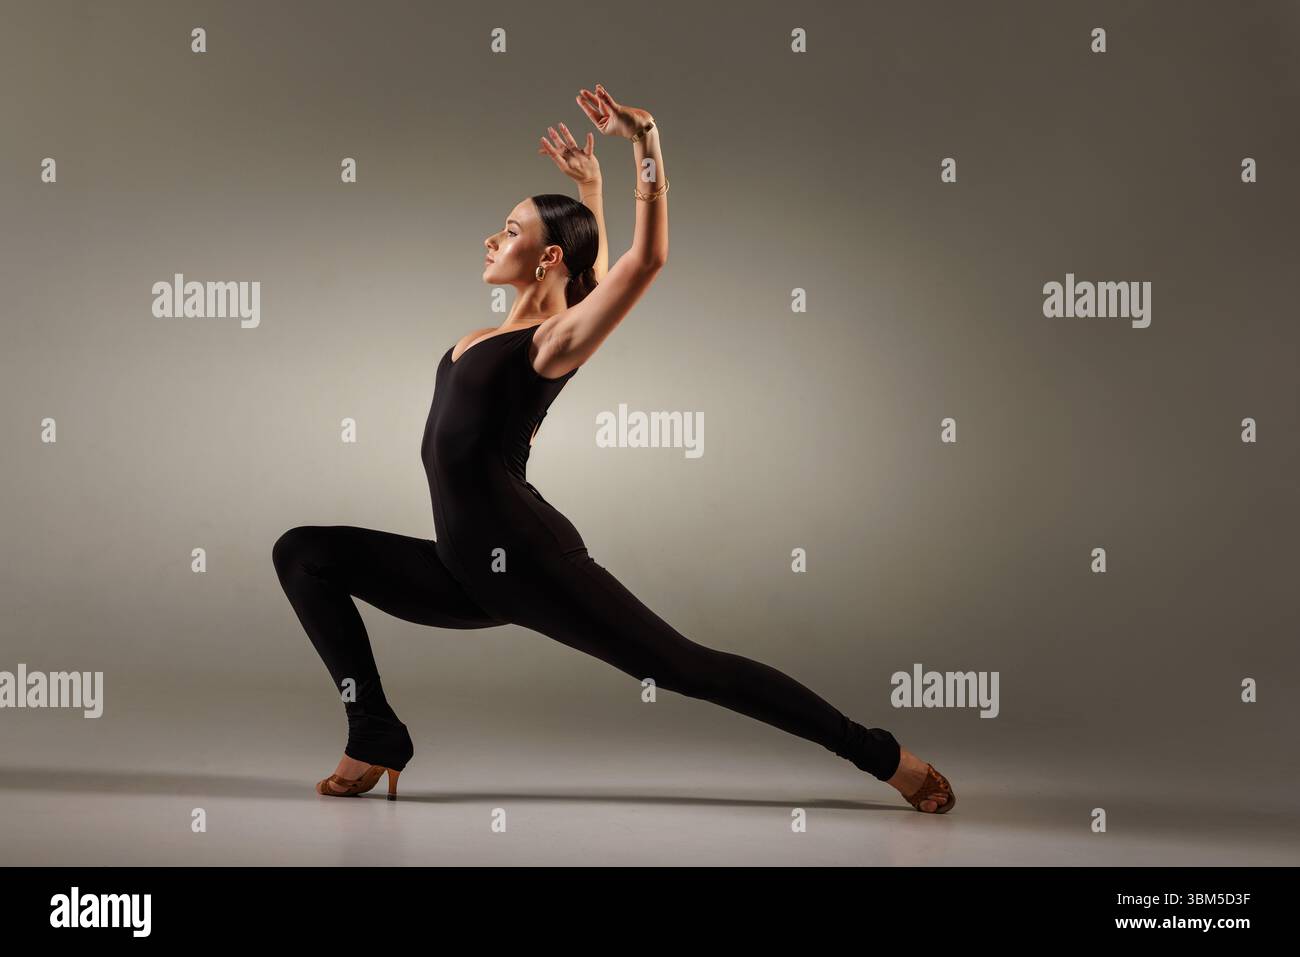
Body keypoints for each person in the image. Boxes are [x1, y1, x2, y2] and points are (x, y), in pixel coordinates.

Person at [272, 83, 954, 813]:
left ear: (547, 257)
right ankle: (374, 729)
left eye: (508, 229)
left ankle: (879, 753)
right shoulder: (487, 336)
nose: (490, 238)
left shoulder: (550, 344)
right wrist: (587, 187)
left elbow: (642, 262)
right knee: (303, 552)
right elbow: (589, 269)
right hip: (463, 567)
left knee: (687, 668)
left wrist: (645, 140)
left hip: (531, 562)